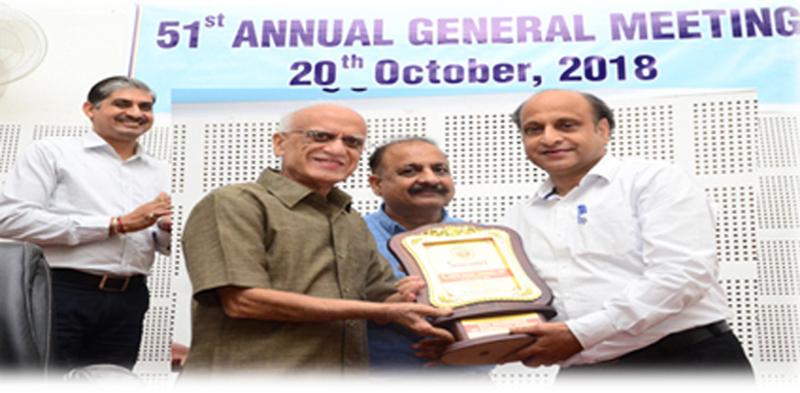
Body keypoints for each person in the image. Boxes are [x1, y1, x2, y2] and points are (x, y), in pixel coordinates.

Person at [180, 104, 454, 376]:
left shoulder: (350, 220)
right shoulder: (235, 203)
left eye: (352, 142)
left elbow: (383, 299)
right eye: (320, 136)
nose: (337, 149)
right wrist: (382, 311)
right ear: (280, 144)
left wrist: (410, 294)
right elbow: (242, 301)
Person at [498, 90, 753, 377]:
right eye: (533, 129)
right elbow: (514, 297)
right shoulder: (518, 217)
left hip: (683, 361)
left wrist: (580, 334)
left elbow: (683, 273)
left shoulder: (653, 181)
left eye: (566, 125)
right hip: (583, 373)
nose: (549, 138)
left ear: (603, 130)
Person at [0, 76, 172, 371]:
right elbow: (10, 219)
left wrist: (167, 230)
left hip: (130, 298)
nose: (136, 113)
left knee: (112, 382)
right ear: (90, 109)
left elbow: (160, 242)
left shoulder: (162, 170)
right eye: (123, 104)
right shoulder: (51, 152)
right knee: (48, 382)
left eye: (145, 107)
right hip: (60, 291)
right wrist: (114, 224)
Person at [364, 137, 466, 372]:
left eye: (440, 170)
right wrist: (388, 308)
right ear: (377, 184)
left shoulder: (482, 240)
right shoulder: (349, 236)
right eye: (410, 171)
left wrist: (462, 345)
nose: (430, 179)